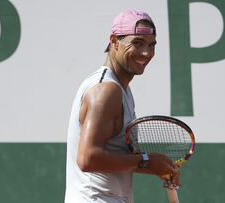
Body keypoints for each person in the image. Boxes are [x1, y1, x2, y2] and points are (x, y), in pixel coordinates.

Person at [65, 10, 179, 203]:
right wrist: (147, 161)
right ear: (114, 41)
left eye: (151, 45)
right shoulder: (107, 91)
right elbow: (88, 158)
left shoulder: (121, 90)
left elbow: (113, 157)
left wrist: (156, 167)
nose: (146, 53)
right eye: (137, 43)